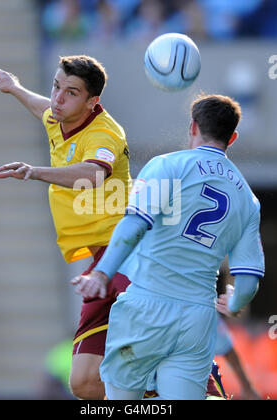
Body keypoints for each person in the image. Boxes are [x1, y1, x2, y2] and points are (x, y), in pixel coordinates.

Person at [72, 94, 265, 400]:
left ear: (193, 126)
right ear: (233, 137)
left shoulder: (166, 166)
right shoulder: (247, 198)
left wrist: (102, 273)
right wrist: (236, 300)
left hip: (147, 306)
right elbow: (249, 280)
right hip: (197, 318)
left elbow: (134, 225)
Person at [0, 55, 132, 400]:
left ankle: (194, 387)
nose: (57, 98)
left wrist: (35, 171)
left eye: (70, 93)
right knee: (83, 383)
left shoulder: (105, 134)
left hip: (131, 256)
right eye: (56, 86)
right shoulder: (58, 116)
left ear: (92, 102)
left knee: (148, 353)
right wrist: (15, 88)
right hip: (101, 264)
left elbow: (95, 172)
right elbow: (42, 108)